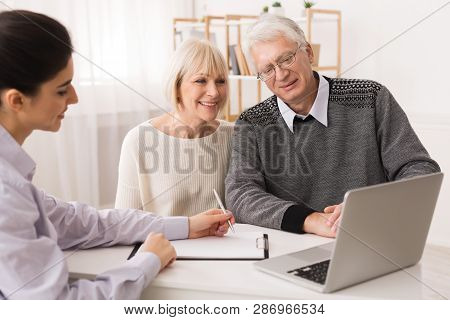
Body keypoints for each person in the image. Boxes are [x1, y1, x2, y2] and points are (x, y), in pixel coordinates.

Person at [0, 10, 234, 300]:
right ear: (17, 100)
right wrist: (147, 260)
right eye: (62, 90)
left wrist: (187, 225)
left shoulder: (14, 182)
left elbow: (84, 223)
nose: (75, 98)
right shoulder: (6, 195)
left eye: (220, 81)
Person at [225, 14, 440, 238]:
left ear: (309, 52)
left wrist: (367, 208)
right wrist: (310, 220)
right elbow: (241, 194)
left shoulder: (371, 98)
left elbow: (420, 169)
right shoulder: (252, 122)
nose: (280, 75)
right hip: (292, 251)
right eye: (267, 70)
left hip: (371, 239)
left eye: (286, 58)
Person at [115, 39, 234, 216]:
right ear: (176, 86)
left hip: (226, 243)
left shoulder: (233, 136)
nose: (214, 92)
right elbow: (124, 223)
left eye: (220, 81)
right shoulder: (138, 141)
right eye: (201, 80)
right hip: (167, 244)